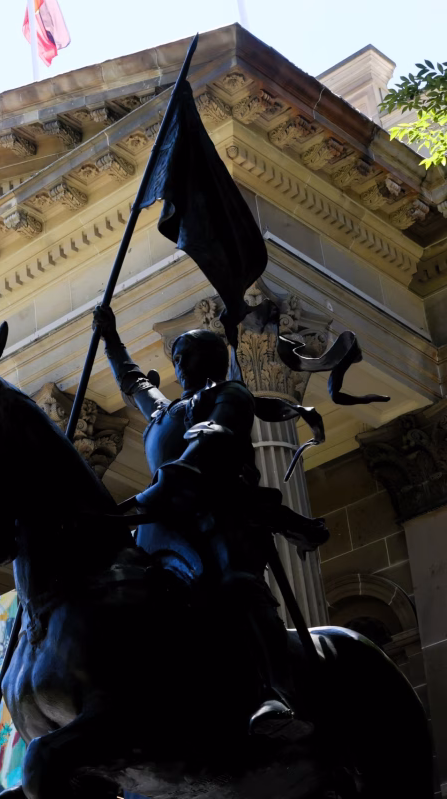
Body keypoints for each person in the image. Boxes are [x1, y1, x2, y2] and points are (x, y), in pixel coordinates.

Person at [92, 304, 327, 741]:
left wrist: (159, 488)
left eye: (186, 355)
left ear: (210, 358)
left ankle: (275, 691)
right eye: (176, 356)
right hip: (163, 526)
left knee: (237, 583)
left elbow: (209, 447)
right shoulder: (164, 412)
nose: (178, 362)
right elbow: (133, 380)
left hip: (219, 515)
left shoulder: (229, 395)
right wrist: (110, 337)